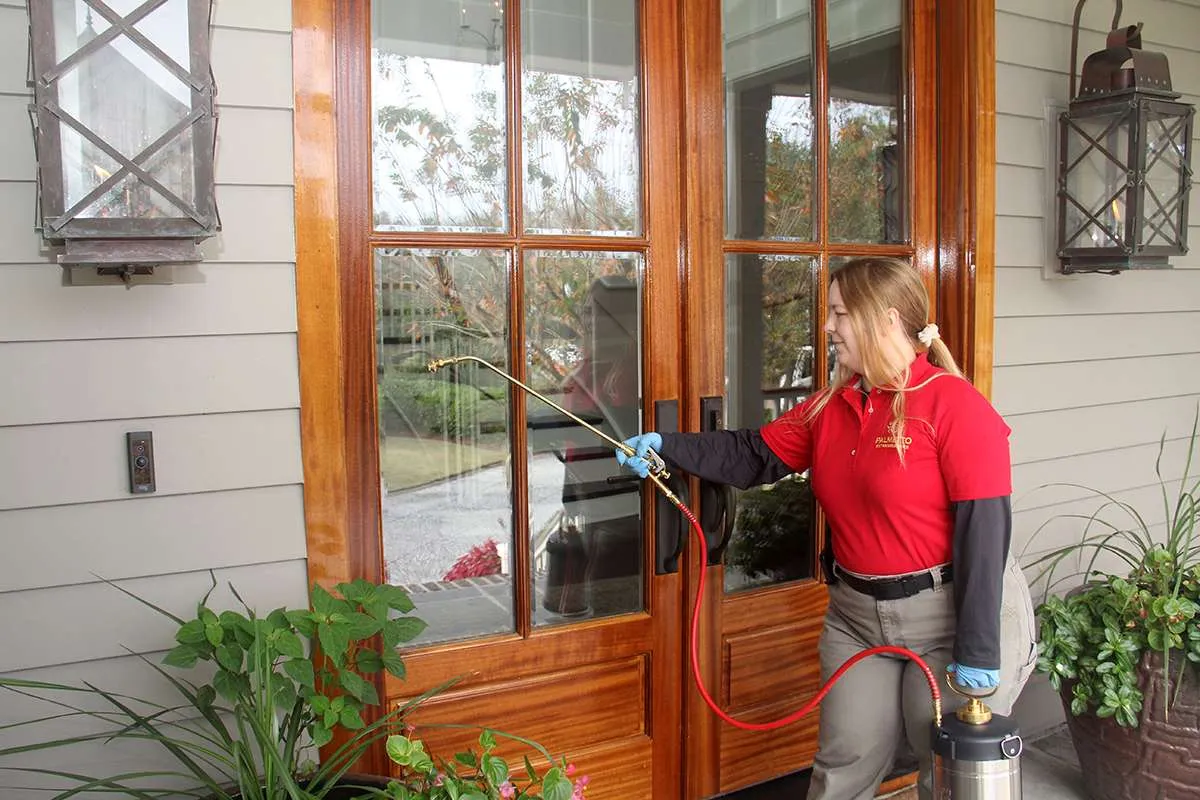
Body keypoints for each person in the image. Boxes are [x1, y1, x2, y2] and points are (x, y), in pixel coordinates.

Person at [615, 257, 1037, 800]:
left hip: (948, 616)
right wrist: (667, 447)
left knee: (949, 777)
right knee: (842, 768)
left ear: (884, 320)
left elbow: (986, 532)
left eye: (840, 313)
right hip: (856, 620)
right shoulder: (831, 407)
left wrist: (978, 650)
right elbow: (754, 455)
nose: (830, 326)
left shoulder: (955, 407)